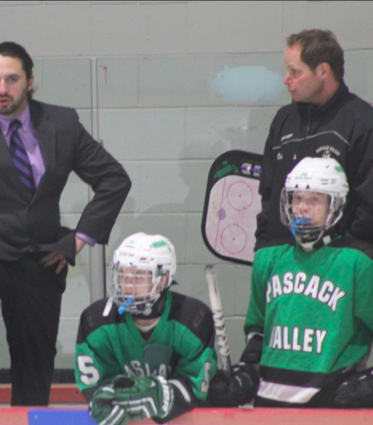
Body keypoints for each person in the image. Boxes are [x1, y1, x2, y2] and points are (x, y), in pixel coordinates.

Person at [0, 41, 131, 406]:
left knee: (35, 366)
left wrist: (78, 239)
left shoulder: (62, 123)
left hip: (41, 253)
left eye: (12, 79)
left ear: (30, 81)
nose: (2, 89)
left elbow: (114, 179)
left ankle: (31, 411)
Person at [223, 157, 373, 407]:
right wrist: (247, 371)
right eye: (297, 198)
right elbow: (259, 330)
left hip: (330, 406)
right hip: (269, 404)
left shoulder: (356, 264)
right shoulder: (267, 259)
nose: (301, 207)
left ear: (335, 206)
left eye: (314, 199)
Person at [75, 233, 217, 425]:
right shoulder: (96, 321)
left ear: (163, 278)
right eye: (124, 275)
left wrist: (160, 394)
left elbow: (196, 387)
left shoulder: (192, 319)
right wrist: (106, 399)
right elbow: (97, 387)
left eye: (139, 276)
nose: (128, 286)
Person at [255, 29, 373, 250]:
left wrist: (342, 252)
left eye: (295, 72)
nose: (286, 79)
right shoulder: (283, 120)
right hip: (283, 260)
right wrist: (265, 246)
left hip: (337, 264)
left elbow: (369, 206)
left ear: (323, 71)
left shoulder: (362, 124)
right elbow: (269, 195)